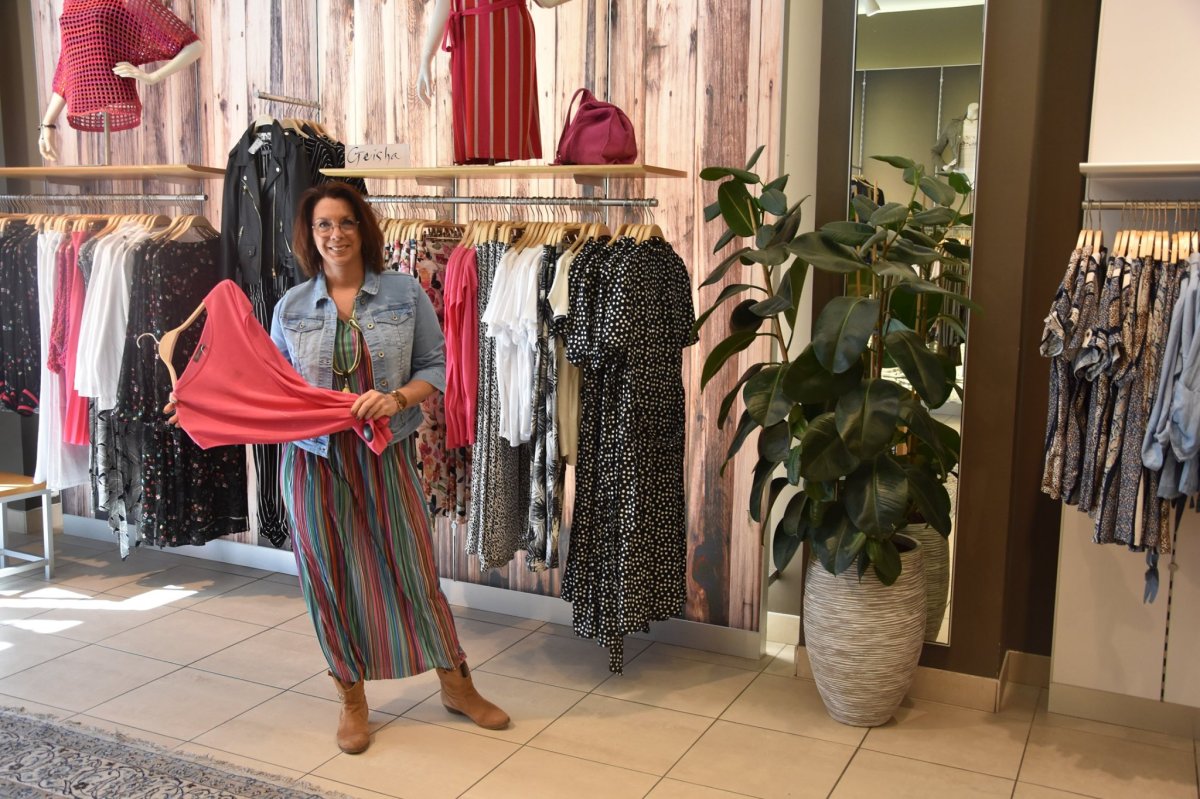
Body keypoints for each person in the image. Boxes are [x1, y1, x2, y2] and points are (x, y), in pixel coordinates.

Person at [169, 182, 509, 754]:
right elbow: (265, 387)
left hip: (385, 454)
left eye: (346, 222)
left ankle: (457, 684)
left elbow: (436, 366)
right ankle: (351, 699)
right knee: (327, 576)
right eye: (324, 225)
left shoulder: (404, 292)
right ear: (310, 235)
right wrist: (199, 401)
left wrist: (396, 399)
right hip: (313, 460)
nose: (336, 235)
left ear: (363, 229)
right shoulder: (291, 306)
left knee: (414, 570)